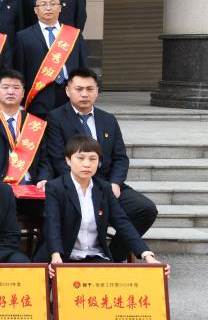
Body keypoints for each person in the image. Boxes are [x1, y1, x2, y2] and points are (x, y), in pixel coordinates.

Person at [44, 68, 159, 261]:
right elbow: (58, 158)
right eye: (79, 89)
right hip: (74, 183)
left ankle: (112, 257)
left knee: (145, 209)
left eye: (90, 89)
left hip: (108, 184)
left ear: (97, 91)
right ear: (68, 91)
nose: (84, 94)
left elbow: (120, 158)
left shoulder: (108, 119)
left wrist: (114, 183)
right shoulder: (56, 118)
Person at [37, 136, 167, 276]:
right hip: (62, 257)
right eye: (80, 158)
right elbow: (52, 224)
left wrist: (147, 255)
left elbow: (122, 223)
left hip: (94, 256)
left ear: (99, 163)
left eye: (93, 159)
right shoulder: (55, 187)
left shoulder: (104, 188)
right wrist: (56, 255)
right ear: (68, 160)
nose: (87, 164)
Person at [0, 69, 52, 187]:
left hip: (31, 186)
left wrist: (43, 179)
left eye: (16, 88)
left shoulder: (35, 123)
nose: (10, 92)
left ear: (23, 93)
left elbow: (45, 159)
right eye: (5, 87)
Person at [14, 0, 88, 117]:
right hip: (39, 96)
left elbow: (83, 67)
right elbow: (20, 70)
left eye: (53, 4)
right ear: (35, 10)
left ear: (60, 8)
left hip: (70, 95)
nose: (48, 8)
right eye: (43, 4)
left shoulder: (74, 34)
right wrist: (20, 102)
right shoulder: (23, 36)